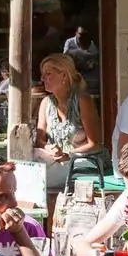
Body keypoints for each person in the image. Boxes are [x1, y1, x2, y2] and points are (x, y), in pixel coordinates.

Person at [36, 53, 103, 206]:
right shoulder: (46, 103)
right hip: (55, 160)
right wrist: (49, 147)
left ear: (64, 76)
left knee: (40, 178)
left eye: (48, 74)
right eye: (43, 74)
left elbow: (96, 144)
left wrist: (69, 154)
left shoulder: (83, 101)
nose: (42, 78)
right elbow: (39, 140)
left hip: (83, 161)